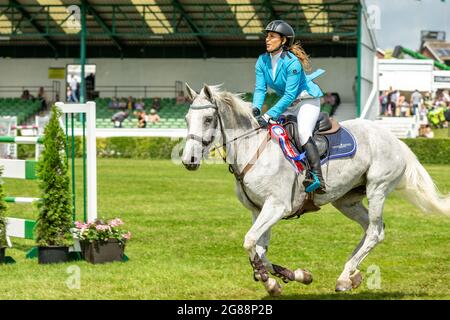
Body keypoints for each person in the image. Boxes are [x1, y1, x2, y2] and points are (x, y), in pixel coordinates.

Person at [252, 20, 325, 194]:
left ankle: (317, 177)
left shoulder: (293, 63)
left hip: (307, 101)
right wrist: (255, 109)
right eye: (267, 36)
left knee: (303, 132)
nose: (267, 40)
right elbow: (260, 89)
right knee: (272, 131)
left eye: (272, 36)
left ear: (283, 40)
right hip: (289, 104)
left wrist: (268, 115)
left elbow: (290, 95)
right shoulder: (262, 61)